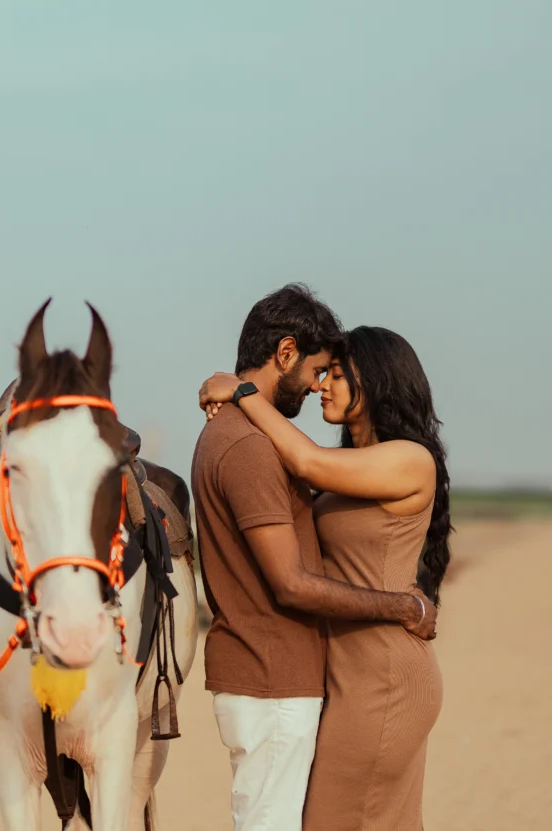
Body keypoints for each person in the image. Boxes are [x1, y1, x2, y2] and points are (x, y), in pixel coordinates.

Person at [191, 286, 437, 831]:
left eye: (337, 374)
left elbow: (303, 459)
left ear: (375, 385)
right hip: (342, 677)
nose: (323, 383)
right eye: (322, 371)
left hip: (382, 676)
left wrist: (240, 391)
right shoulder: (348, 465)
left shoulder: (408, 460)